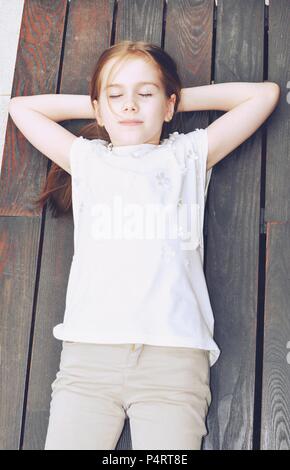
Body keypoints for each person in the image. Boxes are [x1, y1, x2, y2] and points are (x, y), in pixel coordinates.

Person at [8, 40, 280, 450]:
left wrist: (170, 99)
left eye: (146, 94)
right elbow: (20, 108)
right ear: (98, 108)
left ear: (170, 105)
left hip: (173, 361)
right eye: (116, 95)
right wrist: (104, 105)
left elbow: (264, 95)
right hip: (89, 360)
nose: (130, 105)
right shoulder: (87, 159)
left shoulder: (187, 156)